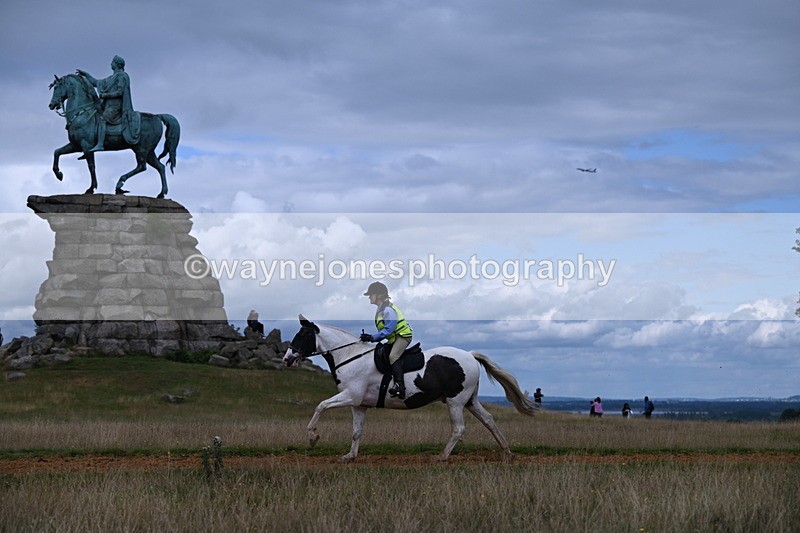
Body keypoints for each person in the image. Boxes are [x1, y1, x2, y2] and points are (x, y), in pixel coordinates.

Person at [76, 55, 141, 152]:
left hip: (116, 106)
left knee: (102, 118)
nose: (111, 64)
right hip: (107, 106)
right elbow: (96, 82)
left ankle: (100, 144)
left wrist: (105, 95)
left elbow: (120, 92)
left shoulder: (122, 76)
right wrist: (86, 74)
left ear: (117, 64)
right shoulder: (111, 78)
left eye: (112, 62)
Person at [360, 281, 413, 399]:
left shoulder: (387, 310)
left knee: (393, 356)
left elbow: (388, 330)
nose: (369, 297)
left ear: (378, 295)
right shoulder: (381, 309)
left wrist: (371, 337)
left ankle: (400, 386)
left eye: (371, 294)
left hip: (403, 336)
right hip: (395, 337)